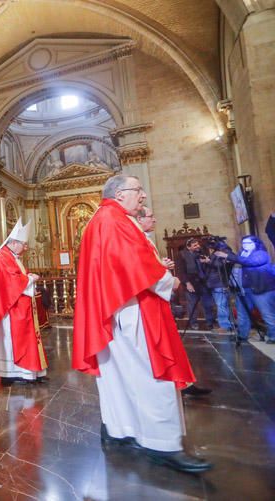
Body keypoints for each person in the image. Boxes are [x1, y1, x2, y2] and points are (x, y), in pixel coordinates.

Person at [72, 174, 211, 473]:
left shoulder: (104, 218)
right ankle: (163, 443)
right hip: (133, 308)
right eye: (138, 190)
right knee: (152, 373)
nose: (144, 196)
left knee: (118, 375)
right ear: (120, 194)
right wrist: (168, 280)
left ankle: (119, 430)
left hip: (117, 309)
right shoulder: (114, 219)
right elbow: (134, 263)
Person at [137, 207, 212, 397]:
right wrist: (170, 279)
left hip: (157, 297)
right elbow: (139, 270)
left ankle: (182, 380)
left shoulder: (145, 238)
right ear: (140, 219)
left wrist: (162, 266)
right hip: (148, 299)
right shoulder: (136, 238)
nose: (154, 220)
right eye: (150, 217)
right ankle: (175, 382)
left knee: (171, 342)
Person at [0, 218, 48, 386]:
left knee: (26, 338)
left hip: (19, 305)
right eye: (23, 244)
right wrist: (29, 279)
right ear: (14, 243)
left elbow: (18, 276)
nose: (25, 248)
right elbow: (10, 281)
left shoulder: (13, 257)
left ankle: (30, 371)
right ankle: (12, 373)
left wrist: (28, 277)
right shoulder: (1, 257)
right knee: (11, 340)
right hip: (8, 308)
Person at [214, 235, 275, 344]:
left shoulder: (261, 254)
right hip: (243, 289)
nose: (246, 245)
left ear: (256, 243)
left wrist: (227, 256)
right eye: (244, 243)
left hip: (260, 289)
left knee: (267, 313)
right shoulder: (242, 254)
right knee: (242, 313)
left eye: (249, 243)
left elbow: (250, 262)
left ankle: (273, 336)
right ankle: (242, 334)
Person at [177, 238, 216, 329]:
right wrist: (187, 283)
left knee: (208, 303)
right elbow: (180, 271)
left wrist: (207, 262)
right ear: (188, 247)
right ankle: (193, 322)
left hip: (203, 282)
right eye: (195, 245)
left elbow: (208, 267)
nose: (198, 246)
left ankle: (210, 322)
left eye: (198, 244)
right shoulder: (182, 255)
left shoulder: (202, 252)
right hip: (191, 283)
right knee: (192, 304)